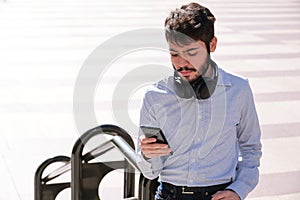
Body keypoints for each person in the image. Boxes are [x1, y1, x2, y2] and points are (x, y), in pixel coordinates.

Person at [137, 2, 262, 200]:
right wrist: (146, 155)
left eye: (191, 53)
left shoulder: (239, 89)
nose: (181, 63)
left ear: (212, 45)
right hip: (169, 194)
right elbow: (150, 172)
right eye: (174, 53)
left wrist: (239, 189)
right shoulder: (154, 96)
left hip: (221, 194)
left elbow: (251, 148)